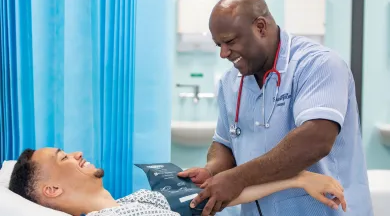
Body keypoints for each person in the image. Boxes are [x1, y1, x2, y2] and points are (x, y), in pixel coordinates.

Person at [177, 0, 373, 216]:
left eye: (230, 42)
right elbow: (224, 143)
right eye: (218, 45)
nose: (223, 53)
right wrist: (211, 171)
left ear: (260, 27)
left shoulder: (318, 64)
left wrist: (238, 178)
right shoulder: (230, 82)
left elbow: (315, 140)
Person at [8, 148, 347, 216]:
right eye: (64, 158)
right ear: (51, 191)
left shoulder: (134, 203)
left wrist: (299, 179)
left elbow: (214, 197)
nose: (77, 152)